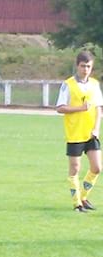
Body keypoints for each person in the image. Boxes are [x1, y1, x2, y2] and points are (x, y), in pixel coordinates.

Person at [56, 50, 103, 212]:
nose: (85, 69)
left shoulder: (95, 85)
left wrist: (96, 128)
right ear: (77, 66)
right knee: (75, 169)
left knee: (97, 167)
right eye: (83, 66)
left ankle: (83, 197)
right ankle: (77, 203)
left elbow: (98, 109)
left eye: (88, 66)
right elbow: (60, 108)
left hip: (91, 133)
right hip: (75, 133)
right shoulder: (68, 84)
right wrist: (80, 108)